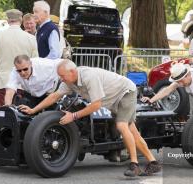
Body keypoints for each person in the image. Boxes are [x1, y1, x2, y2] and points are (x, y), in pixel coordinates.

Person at [19, 60, 162, 177]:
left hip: (125, 92)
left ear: (72, 72)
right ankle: (153, 162)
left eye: (62, 76)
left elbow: (96, 105)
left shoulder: (88, 77)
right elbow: (55, 95)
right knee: (132, 131)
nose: (61, 79)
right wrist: (34, 110)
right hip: (112, 99)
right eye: (60, 76)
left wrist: (73, 116)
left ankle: (134, 165)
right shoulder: (69, 80)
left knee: (122, 126)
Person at [0, 9, 38, 107]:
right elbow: (35, 63)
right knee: (20, 114)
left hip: (3, 82)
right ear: (20, 20)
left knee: (3, 112)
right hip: (23, 83)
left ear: (7, 20)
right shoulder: (31, 38)